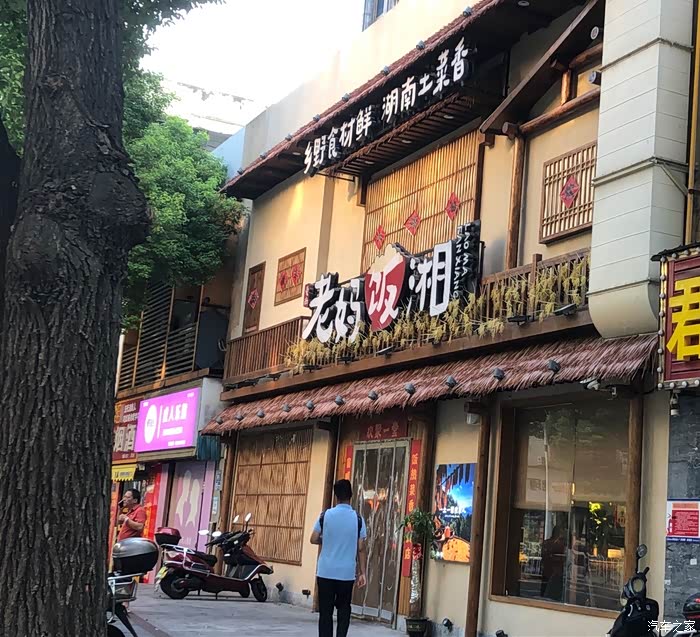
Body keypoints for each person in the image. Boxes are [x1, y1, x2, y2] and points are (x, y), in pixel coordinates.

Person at [310, 480, 368, 637]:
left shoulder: (325, 515)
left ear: (336, 496)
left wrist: (326, 540)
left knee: (325, 612)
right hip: (346, 574)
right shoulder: (358, 519)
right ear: (351, 495)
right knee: (344, 609)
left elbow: (313, 538)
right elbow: (361, 547)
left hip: (325, 572)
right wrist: (362, 572)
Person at [541, 525, 566, 601]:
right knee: (552, 589)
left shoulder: (547, 542)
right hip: (554, 570)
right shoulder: (559, 544)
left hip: (551, 569)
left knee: (547, 587)